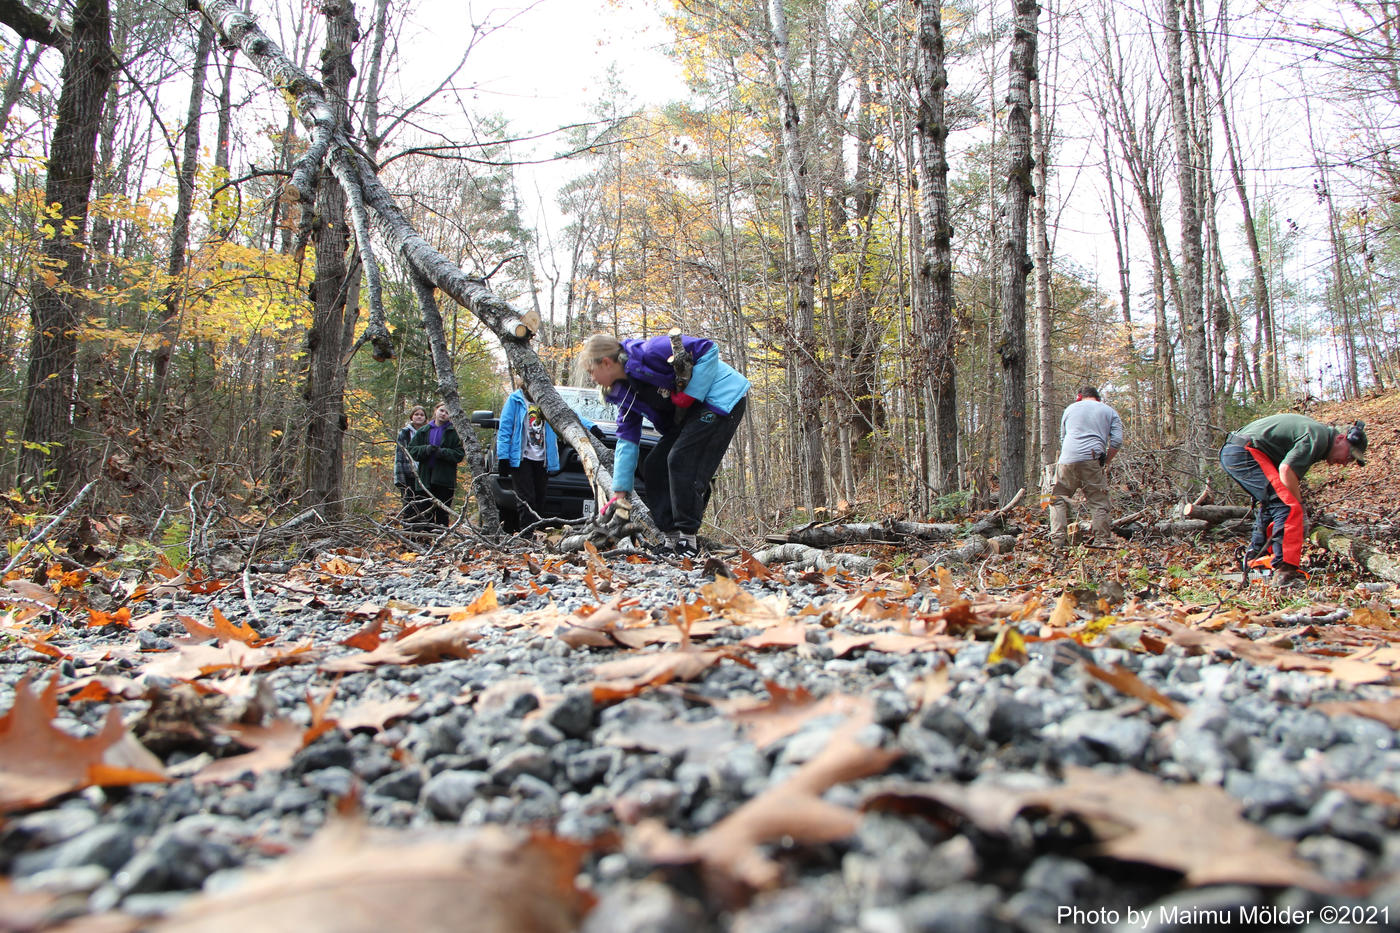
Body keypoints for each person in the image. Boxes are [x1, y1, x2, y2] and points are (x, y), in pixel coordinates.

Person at [576, 332, 750, 556]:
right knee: (654, 465)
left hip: (721, 397)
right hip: (691, 413)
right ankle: (671, 540)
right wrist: (620, 491)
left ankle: (688, 541)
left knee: (680, 459)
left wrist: (690, 395)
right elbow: (627, 440)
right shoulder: (624, 392)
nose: (592, 378)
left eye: (591, 371)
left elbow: (709, 349)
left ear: (606, 363)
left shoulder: (652, 350)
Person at [1220, 414, 1367, 587]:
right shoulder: (1318, 437)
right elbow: (1286, 470)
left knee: (1273, 505)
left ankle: (1257, 562)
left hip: (1239, 451)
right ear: (1341, 439)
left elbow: (1288, 477)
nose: (1344, 463)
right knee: (1289, 507)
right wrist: (1301, 508)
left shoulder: (1318, 437)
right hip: (1245, 452)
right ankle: (1285, 571)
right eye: (1349, 456)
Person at [1049, 386, 1124, 547]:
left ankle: (1058, 542)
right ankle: (1102, 541)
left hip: (1066, 459)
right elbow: (1117, 441)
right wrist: (1106, 461)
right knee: (1098, 502)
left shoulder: (1069, 409)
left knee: (1057, 499)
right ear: (1098, 398)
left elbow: (1063, 438)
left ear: (1080, 397)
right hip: (1092, 458)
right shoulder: (1109, 411)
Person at [497, 377, 559, 531]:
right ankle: (526, 535)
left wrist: (591, 426)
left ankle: (536, 533)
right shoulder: (515, 400)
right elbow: (505, 429)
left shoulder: (547, 401)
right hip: (521, 458)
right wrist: (503, 457)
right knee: (526, 499)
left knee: (539, 499)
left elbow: (568, 415)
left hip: (542, 459)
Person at [408, 402, 466, 528]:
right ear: (436, 411)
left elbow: (459, 454)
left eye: (447, 412)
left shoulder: (454, 432)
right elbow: (412, 449)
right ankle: (426, 539)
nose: (443, 414)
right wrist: (426, 449)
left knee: (442, 513)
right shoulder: (424, 430)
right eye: (441, 411)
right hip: (425, 478)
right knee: (425, 512)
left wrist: (442, 452)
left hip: (445, 480)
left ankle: (440, 540)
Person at [394, 405, 429, 525]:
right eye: (416, 414)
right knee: (409, 506)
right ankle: (409, 536)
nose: (419, 417)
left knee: (424, 506)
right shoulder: (404, 433)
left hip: (424, 475)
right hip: (409, 475)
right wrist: (400, 479)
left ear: (425, 418)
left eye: (421, 415)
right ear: (411, 417)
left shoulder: (428, 432)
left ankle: (423, 537)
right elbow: (399, 456)